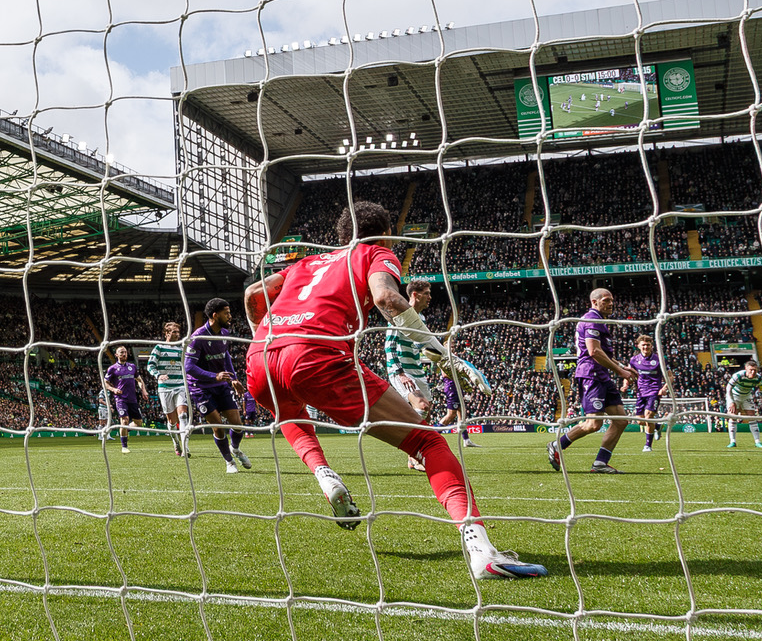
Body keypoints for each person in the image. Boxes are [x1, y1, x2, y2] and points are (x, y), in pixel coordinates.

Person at [243, 200, 544, 580]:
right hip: (315, 355)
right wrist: (441, 353)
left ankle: (324, 474)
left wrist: (262, 334)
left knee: (289, 413)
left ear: (341, 234)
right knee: (428, 442)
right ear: (386, 233)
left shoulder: (306, 263)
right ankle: (482, 550)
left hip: (260, 358)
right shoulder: (375, 253)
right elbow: (386, 297)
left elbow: (254, 292)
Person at [546, 288, 638, 473]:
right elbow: (594, 351)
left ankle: (600, 463)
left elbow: (602, 353)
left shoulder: (599, 320)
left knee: (621, 421)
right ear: (594, 302)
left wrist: (622, 366)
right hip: (591, 374)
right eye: (606, 300)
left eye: (612, 300)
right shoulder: (592, 319)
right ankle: (557, 445)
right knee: (593, 424)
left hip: (602, 375)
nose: (611, 303)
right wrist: (620, 371)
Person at [186, 298, 253, 474]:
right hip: (201, 387)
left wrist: (233, 379)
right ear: (215, 315)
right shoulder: (198, 337)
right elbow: (189, 367)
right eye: (226, 313)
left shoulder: (224, 333)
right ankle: (229, 461)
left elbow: (226, 356)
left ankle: (235, 449)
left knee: (238, 424)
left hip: (220, 384)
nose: (230, 316)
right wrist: (214, 376)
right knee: (218, 426)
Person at [384, 279, 438, 469]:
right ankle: (413, 456)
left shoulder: (421, 319)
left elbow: (422, 346)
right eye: (427, 293)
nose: (430, 297)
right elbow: (389, 346)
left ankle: (416, 455)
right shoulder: (399, 314)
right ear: (415, 294)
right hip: (402, 371)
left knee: (427, 413)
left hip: (417, 370)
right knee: (421, 406)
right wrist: (400, 373)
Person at [147, 321, 190, 456]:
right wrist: (158, 375)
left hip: (180, 385)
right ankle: (176, 442)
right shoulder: (159, 347)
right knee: (172, 421)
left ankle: (185, 447)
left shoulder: (181, 348)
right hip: (165, 388)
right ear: (166, 333)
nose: (177, 335)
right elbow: (150, 365)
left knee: (183, 415)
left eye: (178, 332)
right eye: (174, 332)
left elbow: (187, 365)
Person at [622, 334, 667, 452]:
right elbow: (629, 374)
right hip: (641, 392)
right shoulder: (634, 360)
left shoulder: (659, 359)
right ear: (638, 346)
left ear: (652, 346)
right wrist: (625, 385)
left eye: (648, 345)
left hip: (654, 392)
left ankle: (648, 445)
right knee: (641, 421)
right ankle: (657, 426)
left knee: (648, 416)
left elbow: (670, 376)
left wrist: (664, 388)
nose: (646, 347)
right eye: (643, 345)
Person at [104, 345, 147, 453]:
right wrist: (113, 389)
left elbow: (139, 380)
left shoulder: (132, 367)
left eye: (125, 352)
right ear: (116, 355)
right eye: (121, 352)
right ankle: (124, 446)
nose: (124, 354)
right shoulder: (112, 368)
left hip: (132, 399)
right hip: (120, 399)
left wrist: (143, 390)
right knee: (124, 420)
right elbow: (105, 383)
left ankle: (124, 429)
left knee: (138, 423)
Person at [725, 359, 762, 448]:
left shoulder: (759, 378)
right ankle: (732, 441)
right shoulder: (738, 375)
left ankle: (757, 441)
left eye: (755, 370)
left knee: (752, 416)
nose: (753, 372)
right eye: (751, 370)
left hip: (747, 396)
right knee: (733, 416)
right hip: (734, 395)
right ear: (746, 369)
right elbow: (728, 388)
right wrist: (731, 402)